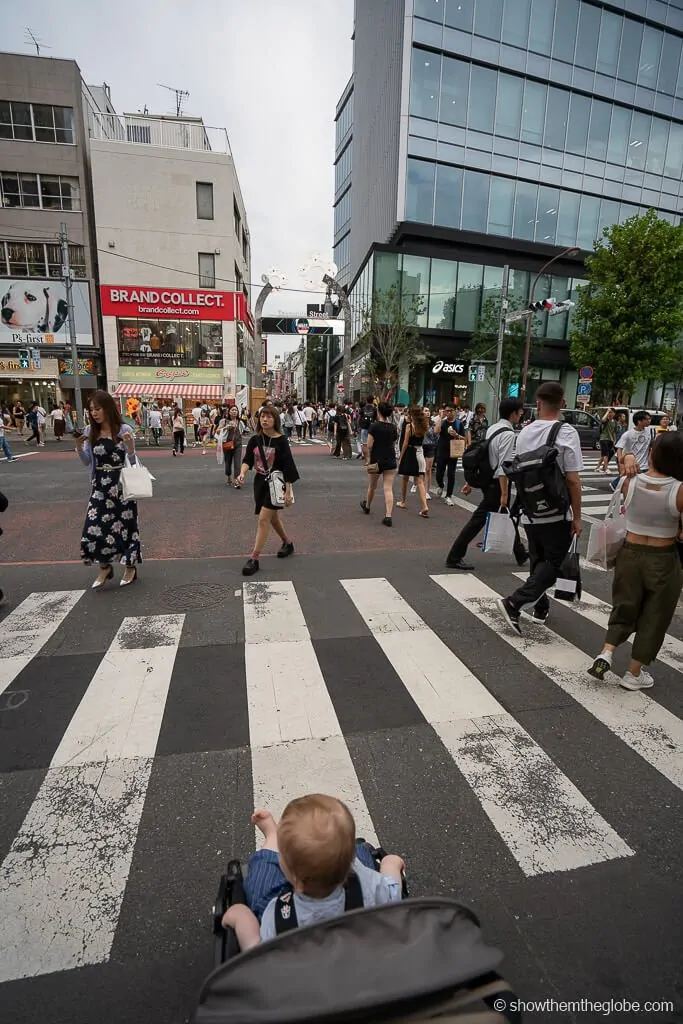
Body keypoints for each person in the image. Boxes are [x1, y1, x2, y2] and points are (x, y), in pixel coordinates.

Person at [222, 795, 403, 949]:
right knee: (363, 852)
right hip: (355, 948)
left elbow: (262, 956)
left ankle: (273, 839)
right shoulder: (366, 882)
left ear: (296, 883)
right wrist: (390, 866)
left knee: (263, 877)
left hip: (307, 972)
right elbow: (392, 894)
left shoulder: (279, 916)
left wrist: (241, 918)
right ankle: (280, 842)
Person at [589, 432, 683, 690]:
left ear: (651, 453)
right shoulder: (679, 489)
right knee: (656, 614)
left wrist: (628, 456)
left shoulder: (627, 482)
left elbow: (625, 469)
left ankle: (606, 653)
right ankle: (634, 673)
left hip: (629, 553)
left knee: (624, 606)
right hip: (663, 559)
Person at [497, 381, 583, 635]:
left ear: (538, 403)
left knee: (539, 559)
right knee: (555, 562)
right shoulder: (566, 433)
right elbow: (573, 479)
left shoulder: (523, 432)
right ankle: (515, 602)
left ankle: (540, 607)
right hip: (557, 510)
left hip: (531, 509)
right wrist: (577, 517)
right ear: (563, 404)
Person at [446, 397, 524, 570]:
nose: (521, 415)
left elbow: (483, 457)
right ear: (513, 413)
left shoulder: (494, 428)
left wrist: (471, 482)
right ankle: (454, 556)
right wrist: (504, 494)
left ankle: (520, 552)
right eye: (520, 412)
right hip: (496, 483)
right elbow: (504, 467)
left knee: (505, 515)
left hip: (487, 479)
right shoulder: (508, 434)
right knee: (479, 519)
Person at [74, 390, 141, 588]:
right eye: (91, 410)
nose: (94, 413)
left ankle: (130, 566)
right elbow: (88, 462)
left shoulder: (123, 429)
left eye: (98, 409)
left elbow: (132, 461)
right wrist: (78, 448)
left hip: (121, 485)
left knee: (127, 528)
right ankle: (105, 567)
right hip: (100, 486)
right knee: (93, 527)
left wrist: (130, 448)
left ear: (108, 408)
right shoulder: (89, 432)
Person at [237, 406, 299, 577]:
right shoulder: (255, 440)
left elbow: (288, 466)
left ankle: (254, 558)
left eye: (268, 417)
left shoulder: (281, 441)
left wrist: (288, 491)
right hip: (260, 483)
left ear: (275, 420)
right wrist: (242, 473)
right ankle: (288, 543)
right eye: (262, 417)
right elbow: (248, 460)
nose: (264, 420)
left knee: (264, 519)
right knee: (273, 519)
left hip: (277, 484)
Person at [361, 401, 398, 526]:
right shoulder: (393, 427)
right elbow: (393, 445)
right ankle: (388, 516)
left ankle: (367, 505)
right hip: (390, 460)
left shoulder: (374, 426)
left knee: (372, 486)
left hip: (375, 460)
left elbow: (369, 445)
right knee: (388, 488)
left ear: (379, 412)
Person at [396, 407, 429, 517]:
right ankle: (424, 506)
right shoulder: (424, 426)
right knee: (420, 481)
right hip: (420, 452)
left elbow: (405, 443)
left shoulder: (410, 426)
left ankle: (403, 501)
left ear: (412, 415)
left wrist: (400, 457)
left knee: (405, 478)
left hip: (410, 453)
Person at [434, 405, 466, 505]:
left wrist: (456, 435)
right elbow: (436, 431)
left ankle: (448, 495)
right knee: (439, 473)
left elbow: (464, 438)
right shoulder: (442, 422)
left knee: (451, 474)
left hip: (453, 451)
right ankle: (441, 484)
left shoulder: (458, 423)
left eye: (450, 411)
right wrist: (440, 417)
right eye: (446, 411)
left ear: (455, 411)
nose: (448, 413)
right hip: (441, 450)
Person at [612, 411, 652, 490]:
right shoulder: (628, 434)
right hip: (631, 462)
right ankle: (616, 485)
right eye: (647, 419)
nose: (649, 421)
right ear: (639, 421)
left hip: (643, 464)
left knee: (639, 482)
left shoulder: (649, 432)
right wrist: (621, 464)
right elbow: (619, 449)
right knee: (626, 478)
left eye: (650, 419)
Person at [218, 405, 244, 487]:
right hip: (227, 444)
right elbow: (217, 431)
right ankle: (229, 476)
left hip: (238, 444)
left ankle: (237, 480)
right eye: (232, 410)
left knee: (237, 462)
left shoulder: (240, 422)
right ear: (229, 412)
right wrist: (226, 427)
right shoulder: (224, 421)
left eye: (236, 410)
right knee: (228, 462)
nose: (234, 411)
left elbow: (244, 431)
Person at [359, 396, 377, 462]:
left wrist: (359, 426)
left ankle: (366, 460)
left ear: (366, 400)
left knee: (364, 444)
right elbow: (376, 418)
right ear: (373, 401)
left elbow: (360, 418)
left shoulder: (362, 409)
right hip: (373, 428)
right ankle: (371, 459)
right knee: (372, 443)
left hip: (364, 427)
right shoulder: (375, 409)